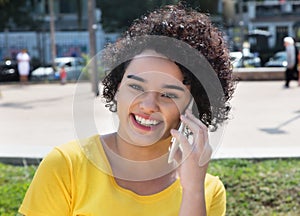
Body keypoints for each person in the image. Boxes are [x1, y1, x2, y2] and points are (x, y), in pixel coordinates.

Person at [19, 4, 235, 216]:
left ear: (194, 105)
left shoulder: (207, 190)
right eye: (136, 87)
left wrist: (193, 191)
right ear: (117, 87)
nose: (148, 106)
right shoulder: (66, 165)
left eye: (168, 95)